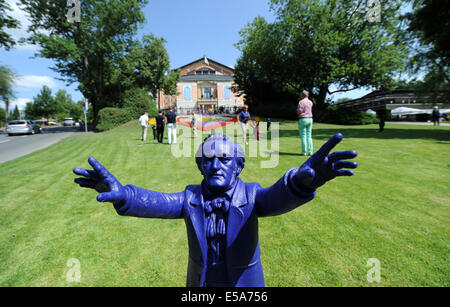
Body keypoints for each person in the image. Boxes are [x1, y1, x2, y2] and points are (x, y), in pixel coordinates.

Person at [73, 133, 358, 287]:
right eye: (208, 159)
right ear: (200, 166)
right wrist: (125, 195)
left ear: (238, 166)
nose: (216, 165)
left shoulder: (251, 196)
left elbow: (277, 198)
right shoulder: (190, 198)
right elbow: (158, 202)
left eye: (224, 158)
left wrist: (300, 182)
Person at [297, 90, 314, 156]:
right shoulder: (310, 102)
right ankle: (310, 152)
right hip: (310, 119)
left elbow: (299, 111)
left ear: (302, 95)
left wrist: (298, 112)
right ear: (308, 95)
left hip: (303, 119)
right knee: (309, 136)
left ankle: (304, 152)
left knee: (303, 136)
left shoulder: (301, 102)